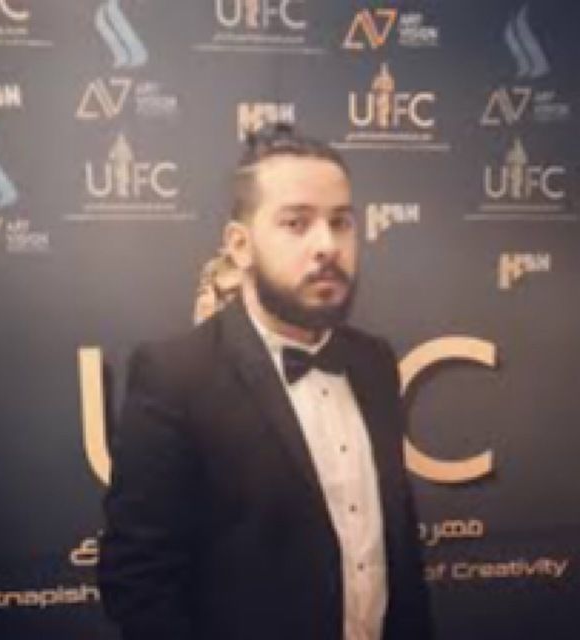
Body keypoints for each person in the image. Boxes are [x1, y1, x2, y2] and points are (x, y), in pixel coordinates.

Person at [98, 123, 433, 640]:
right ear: (240, 245)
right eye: (296, 223)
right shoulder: (174, 375)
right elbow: (140, 582)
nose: (327, 245)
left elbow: (397, 550)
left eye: (341, 223)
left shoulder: (374, 362)